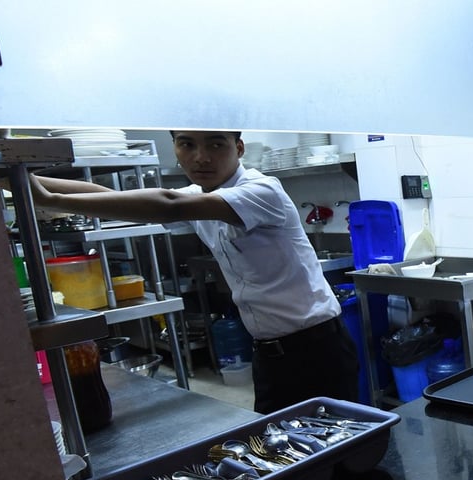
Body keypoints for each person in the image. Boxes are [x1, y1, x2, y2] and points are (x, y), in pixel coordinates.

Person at [30, 130, 359, 414]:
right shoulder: (200, 196)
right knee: (283, 457)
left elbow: (169, 203)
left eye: (216, 145)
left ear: (239, 148)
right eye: (187, 145)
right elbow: (113, 197)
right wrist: (21, 178)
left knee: (340, 455)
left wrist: (53, 199)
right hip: (268, 353)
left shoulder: (262, 191)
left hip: (317, 349)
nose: (201, 157)